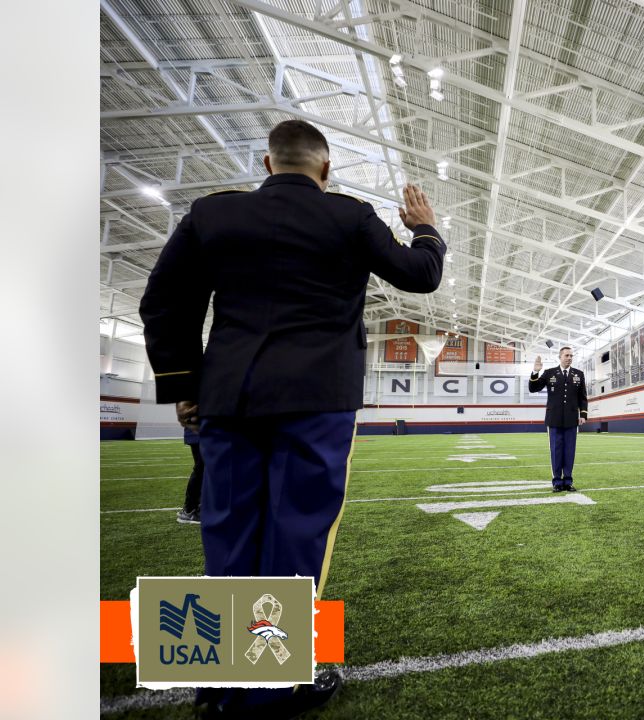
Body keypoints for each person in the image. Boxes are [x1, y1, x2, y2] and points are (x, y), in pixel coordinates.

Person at [140, 119, 446, 717]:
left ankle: (218, 683)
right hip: (318, 401)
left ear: (266, 163)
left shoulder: (212, 213)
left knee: (227, 535)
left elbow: (163, 300)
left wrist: (182, 382)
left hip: (229, 397)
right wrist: (426, 230)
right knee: (296, 535)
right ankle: (272, 688)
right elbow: (420, 275)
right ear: (325, 169)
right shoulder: (349, 216)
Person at [529, 347, 588, 491]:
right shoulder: (549, 373)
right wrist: (536, 372)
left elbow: (582, 396)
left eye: (571, 356)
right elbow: (533, 388)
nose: (569, 358)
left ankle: (568, 481)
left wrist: (583, 414)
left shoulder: (578, 374)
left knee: (569, 451)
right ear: (560, 357)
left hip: (572, 419)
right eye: (567, 355)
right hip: (554, 419)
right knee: (556, 451)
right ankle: (557, 482)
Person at [177, 427, 203, 524]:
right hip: (199, 432)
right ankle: (189, 510)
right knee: (201, 468)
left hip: (203, 432)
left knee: (203, 469)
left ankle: (195, 508)